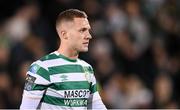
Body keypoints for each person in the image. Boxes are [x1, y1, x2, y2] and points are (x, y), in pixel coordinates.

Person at [20, 9, 107, 109]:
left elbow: (97, 106)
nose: (89, 36)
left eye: (88, 30)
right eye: (82, 30)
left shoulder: (87, 68)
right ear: (64, 34)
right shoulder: (41, 68)